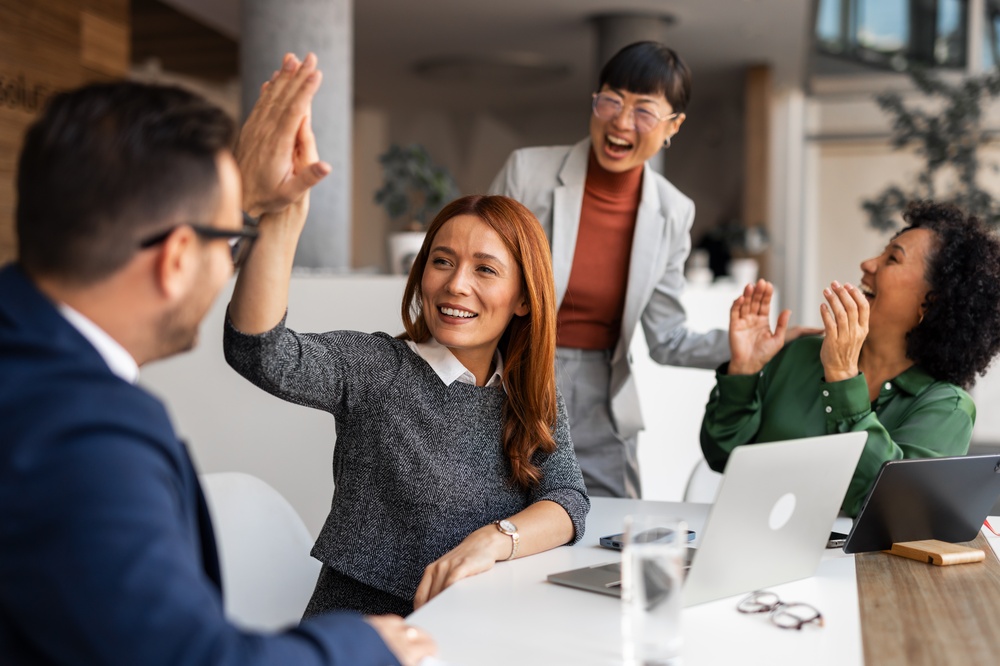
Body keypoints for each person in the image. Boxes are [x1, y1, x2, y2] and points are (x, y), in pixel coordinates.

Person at [0, 54, 436, 665]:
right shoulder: (85, 437)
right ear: (178, 257)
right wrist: (365, 646)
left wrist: (247, 200)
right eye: (228, 238)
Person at [224, 193, 590, 617]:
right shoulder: (376, 368)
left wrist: (492, 540)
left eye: (485, 269)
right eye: (442, 261)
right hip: (364, 636)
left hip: (479, 628)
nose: (456, 284)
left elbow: (567, 498)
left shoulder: (527, 394)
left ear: (523, 299)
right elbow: (262, 354)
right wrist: (278, 224)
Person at [700, 201, 1000, 516]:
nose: (868, 264)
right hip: (749, 546)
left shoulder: (946, 407)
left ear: (931, 302)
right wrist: (744, 372)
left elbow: (893, 510)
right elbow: (722, 454)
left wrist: (842, 378)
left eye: (892, 259)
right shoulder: (801, 354)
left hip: (858, 567)